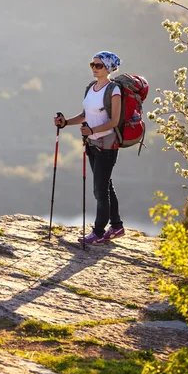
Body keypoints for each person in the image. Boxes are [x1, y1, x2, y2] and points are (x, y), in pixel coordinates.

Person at [54, 51, 125, 244]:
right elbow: (85, 115)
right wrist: (65, 122)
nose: (94, 68)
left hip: (107, 145)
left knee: (100, 189)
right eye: (92, 64)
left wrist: (92, 130)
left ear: (109, 67)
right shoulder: (91, 88)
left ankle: (99, 231)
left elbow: (114, 121)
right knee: (106, 186)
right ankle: (117, 226)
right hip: (92, 144)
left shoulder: (114, 90)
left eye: (99, 65)